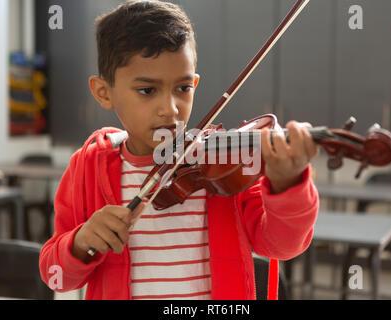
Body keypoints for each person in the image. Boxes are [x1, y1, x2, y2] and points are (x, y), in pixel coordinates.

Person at [39, 0, 319, 300]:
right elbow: (56, 276)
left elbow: (283, 245)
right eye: (147, 90)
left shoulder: (224, 168)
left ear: (195, 83)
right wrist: (79, 243)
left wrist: (288, 186)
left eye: (183, 88)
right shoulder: (88, 167)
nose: (170, 110)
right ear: (103, 92)